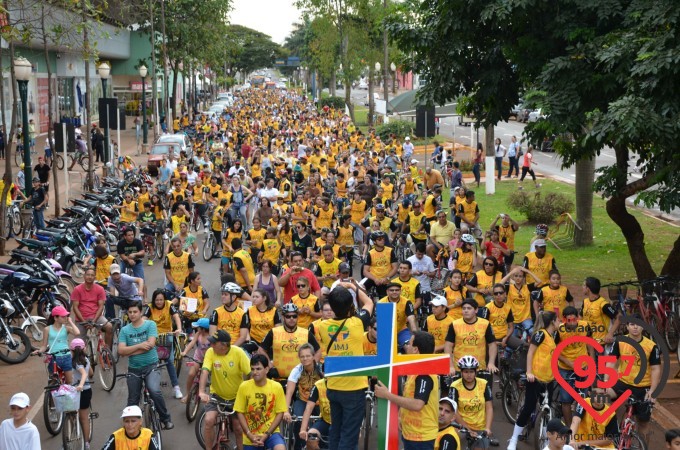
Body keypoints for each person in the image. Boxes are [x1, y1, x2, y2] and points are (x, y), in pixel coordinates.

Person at [317, 283, 374, 450]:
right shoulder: (356, 324)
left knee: (335, 430)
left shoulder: (322, 326)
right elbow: (369, 303)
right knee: (349, 435)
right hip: (354, 389)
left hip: (333, 387)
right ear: (351, 306)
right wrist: (352, 285)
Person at [375, 331, 440, 450]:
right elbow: (408, 396)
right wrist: (400, 416)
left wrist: (387, 395)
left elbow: (417, 404)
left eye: (409, 344)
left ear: (415, 349)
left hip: (421, 438)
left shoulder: (424, 374)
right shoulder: (415, 369)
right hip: (410, 433)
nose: (406, 346)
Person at [507, 311, 561, 450]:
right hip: (535, 378)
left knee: (547, 407)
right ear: (553, 321)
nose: (560, 322)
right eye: (558, 319)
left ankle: (544, 438)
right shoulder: (540, 334)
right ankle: (513, 440)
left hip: (549, 379)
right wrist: (529, 372)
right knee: (528, 408)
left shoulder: (553, 336)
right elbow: (531, 351)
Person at [118, 300, 174, 430]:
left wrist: (130, 350)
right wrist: (140, 346)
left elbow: (151, 344)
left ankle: (165, 419)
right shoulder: (125, 330)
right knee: (132, 401)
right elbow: (121, 351)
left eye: (135, 312)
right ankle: (131, 428)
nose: (132, 314)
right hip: (134, 369)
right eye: (130, 312)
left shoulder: (150, 325)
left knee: (154, 390)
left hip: (151, 366)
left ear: (140, 312)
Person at [606, 315, 661, 437]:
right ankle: (613, 426)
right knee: (604, 396)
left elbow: (655, 369)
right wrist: (606, 382)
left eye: (638, 324)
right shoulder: (619, 341)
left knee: (643, 422)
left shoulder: (651, 346)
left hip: (642, 386)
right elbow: (610, 362)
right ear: (627, 326)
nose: (635, 327)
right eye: (632, 324)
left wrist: (653, 391)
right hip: (623, 382)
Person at [199, 329, 251, 450]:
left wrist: (248, 389)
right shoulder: (210, 352)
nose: (210, 345)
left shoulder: (238, 353)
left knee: (238, 428)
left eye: (214, 343)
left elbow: (250, 372)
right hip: (217, 395)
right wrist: (201, 391)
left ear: (223, 345)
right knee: (208, 421)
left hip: (236, 397)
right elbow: (205, 371)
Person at [234, 354, 287, 450]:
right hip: (250, 436)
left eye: (258, 369)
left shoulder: (277, 387)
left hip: (271, 433)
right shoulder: (244, 386)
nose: (255, 372)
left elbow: (280, 413)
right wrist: (249, 435)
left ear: (266, 370)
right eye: (253, 369)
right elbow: (239, 412)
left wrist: (266, 434)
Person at [144, 289, 183, 399]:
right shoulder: (150, 307)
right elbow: (143, 319)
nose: (159, 302)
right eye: (157, 300)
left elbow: (176, 316)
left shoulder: (169, 305)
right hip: (153, 337)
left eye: (161, 299)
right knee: (153, 361)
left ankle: (176, 387)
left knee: (169, 361)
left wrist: (179, 328)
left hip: (167, 335)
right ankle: (153, 386)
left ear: (164, 299)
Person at [444, 299, 498, 379]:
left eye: (469, 308)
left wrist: (491, 363)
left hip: (479, 367)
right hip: (459, 368)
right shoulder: (454, 324)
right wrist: (450, 366)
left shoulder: (485, 324)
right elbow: (448, 346)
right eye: (464, 308)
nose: (466, 311)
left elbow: (492, 344)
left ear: (476, 310)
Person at [449, 356, 493, 446]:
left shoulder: (484, 384)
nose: (469, 375)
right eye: (465, 372)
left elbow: (489, 408)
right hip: (461, 426)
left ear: (476, 372)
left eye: (471, 371)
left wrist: (488, 428)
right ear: (461, 372)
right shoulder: (455, 386)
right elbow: (454, 411)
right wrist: (468, 430)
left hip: (480, 427)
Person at [32, 305, 80, 384]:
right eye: (63, 316)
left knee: (69, 382)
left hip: (66, 356)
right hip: (54, 358)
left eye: (66, 316)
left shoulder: (66, 328)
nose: (65, 318)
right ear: (55, 318)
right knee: (52, 381)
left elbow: (77, 333)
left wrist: (71, 322)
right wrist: (39, 351)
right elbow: (44, 346)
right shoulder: (47, 329)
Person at [71, 267, 113, 348]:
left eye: (92, 275)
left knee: (109, 327)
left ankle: (107, 351)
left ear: (95, 277)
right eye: (88, 275)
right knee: (78, 344)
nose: (90, 277)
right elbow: (75, 308)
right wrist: (84, 322)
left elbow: (101, 306)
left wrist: (94, 321)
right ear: (84, 276)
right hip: (81, 319)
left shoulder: (100, 289)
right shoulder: (77, 289)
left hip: (96, 317)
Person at [69, 338, 94, 448]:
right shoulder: (86, 360)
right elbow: (90, 373)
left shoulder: (76, 362)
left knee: (72, 414)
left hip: (77, 391)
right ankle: (87, 443)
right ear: (84, 348)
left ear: (72, 350)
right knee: (84, 419)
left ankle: (69, 436)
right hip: (87, 391)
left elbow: (84, 374)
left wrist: (80, 385)